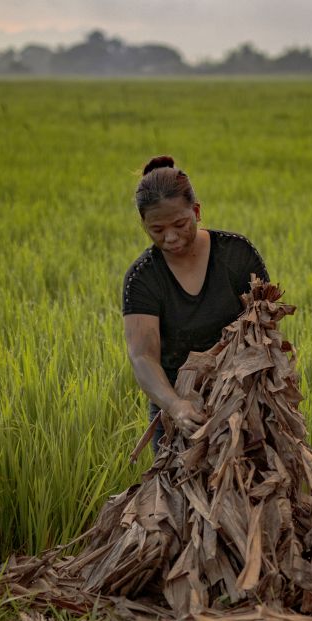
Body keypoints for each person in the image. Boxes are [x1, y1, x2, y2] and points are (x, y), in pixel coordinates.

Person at [121, 155, 270, 452]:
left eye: (179, 224)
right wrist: (175, 406)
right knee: (176, 496)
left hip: (245, 401)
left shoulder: (236, 255)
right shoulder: (143, 278)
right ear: (144, 224)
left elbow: (265, 329)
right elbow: (143, 356)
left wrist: (240, 393)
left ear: (197, 212)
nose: (171, 237)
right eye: (157, 230)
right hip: (179, 408)